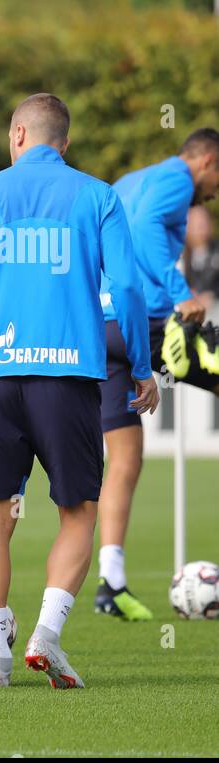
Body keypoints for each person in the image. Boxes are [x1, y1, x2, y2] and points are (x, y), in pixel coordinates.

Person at [0, 93, 159, 689]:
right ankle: (46, 637)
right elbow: (128, 288)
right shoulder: (98, 196)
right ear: (66, 143)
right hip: (70, 376)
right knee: (78, 513)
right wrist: (143, 367)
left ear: (18, 133)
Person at [96, 128, 219, 620]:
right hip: (144, 322)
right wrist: (179, 290)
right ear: (208, 160)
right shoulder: (175, 181)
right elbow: (146, 230)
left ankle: (111, 583)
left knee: (124, 454)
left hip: (100, 327)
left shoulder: (128, 180)